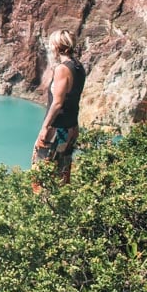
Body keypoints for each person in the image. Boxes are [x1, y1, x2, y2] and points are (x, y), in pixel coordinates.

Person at [32, 29, 86, 187]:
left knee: (41, 172)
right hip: (71, 127)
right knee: (62, 171)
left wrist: (45, 127)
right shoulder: (78, 67)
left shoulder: (62, 69)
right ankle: (60, 205)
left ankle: (42, 206)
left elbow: (57, 103)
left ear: (57, 46)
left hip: (57, 129)